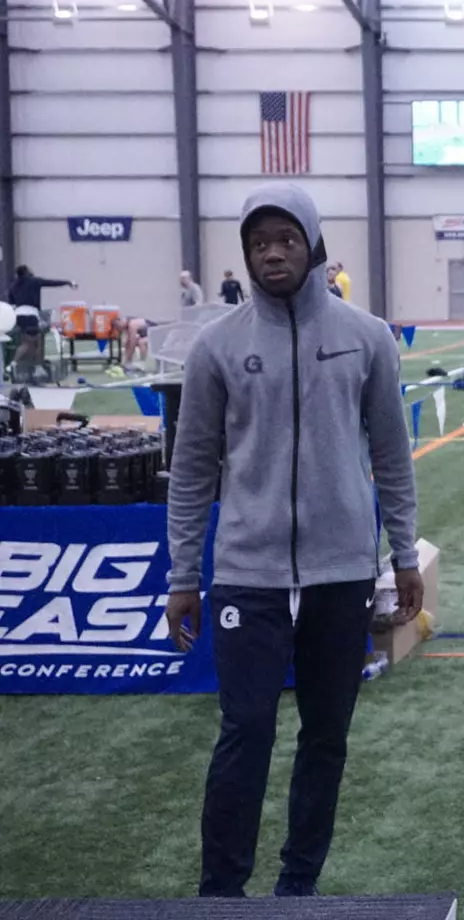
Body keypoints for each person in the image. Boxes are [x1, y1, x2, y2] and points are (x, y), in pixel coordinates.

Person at [164, 183, 423, 899]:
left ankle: (297, 886)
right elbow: (190, 470)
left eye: (285, 239)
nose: (272, 253)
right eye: (258, 242)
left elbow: (393, 456)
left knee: (327, 736)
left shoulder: (366, 337)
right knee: (245, 731)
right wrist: (184, 575)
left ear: (313, 244)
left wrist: (404, 552)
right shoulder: (218, 347)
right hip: (247, 572)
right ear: (245, 254)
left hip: (341, 572)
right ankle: (221, 892)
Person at [6, 266, 77, 378]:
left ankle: (31, 366)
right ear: (26, 272)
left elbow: (11, 302)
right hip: (30, 315)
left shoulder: (14, 285)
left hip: (19, 315)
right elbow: (51, 283)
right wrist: (68, 282)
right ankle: (19, 365)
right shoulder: (34, 281)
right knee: (34, 341)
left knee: (30, 341)